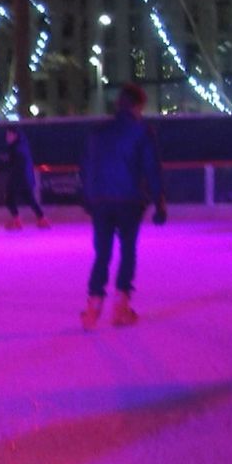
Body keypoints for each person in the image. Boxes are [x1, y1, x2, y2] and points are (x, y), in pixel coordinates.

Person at [78, 84, 166, 330]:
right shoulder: (141, 132)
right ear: (137, 106)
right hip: (129, 200)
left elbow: (86, 168)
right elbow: (152, 169)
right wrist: (159, 202)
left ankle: (93, 306)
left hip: (101, 201)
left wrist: (88, 198)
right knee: (127, 251)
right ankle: (121, 306)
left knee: (102, 253)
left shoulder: (97, 133)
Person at [0, 127, 50, 231]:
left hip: (18, 178)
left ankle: (17, 220)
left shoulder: (16, 148)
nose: (7, 137)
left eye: (9, 135)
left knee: (9, 199)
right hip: (25, 178)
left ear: (15, 135)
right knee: (29, 199)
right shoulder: (22, 146)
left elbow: (15, 163)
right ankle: (42, 219)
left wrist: (6, 162)